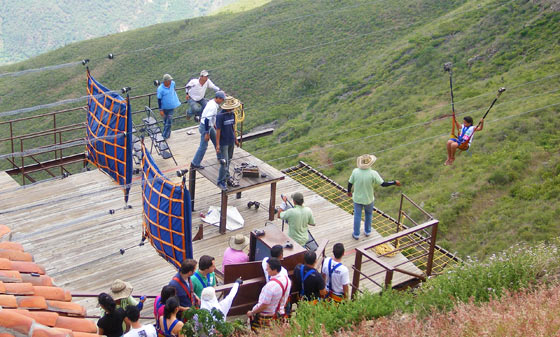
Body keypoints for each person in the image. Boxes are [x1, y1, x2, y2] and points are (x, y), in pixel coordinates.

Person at [347, 154, 401, 240]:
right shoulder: (373, 173)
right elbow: (383, 184)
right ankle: (367, 232)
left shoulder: (355, 171)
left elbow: (350, 183)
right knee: (368, 214)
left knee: (357, 215)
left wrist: (349, 192)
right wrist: (394, 182)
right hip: (368, 199)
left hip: (357, 198)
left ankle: (356, 234)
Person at [247, 258, 292, 331]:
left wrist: (252, 312)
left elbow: (264, 305)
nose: (266, 270)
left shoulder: (270, 286)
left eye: (268, 268)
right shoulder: (287, 279)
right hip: (279, 312)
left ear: (274, 270)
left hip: (267, 316)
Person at [190, 91, 226, 170]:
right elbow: (207, 119)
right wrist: (207, 133)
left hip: (209, 125)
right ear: (218, 98)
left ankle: (220, 157)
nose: (222, 101)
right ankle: (194, 163)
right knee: (203, 146)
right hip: (206, 126)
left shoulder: (212, 102)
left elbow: (210, 117)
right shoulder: (213, 107)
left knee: (216, 140)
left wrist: (214, 125)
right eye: (222, 99)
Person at [215, 96, 240, 190]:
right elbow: (218, 130)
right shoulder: (220, 116)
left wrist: (236, 139)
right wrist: (217, 144)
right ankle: (220, 181)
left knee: (229, 159)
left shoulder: (232, 114)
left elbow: (232, 128)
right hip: (223, 142)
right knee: (224, 162)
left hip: (231, 141)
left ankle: (227, 175)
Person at [157, 74, 181, 139]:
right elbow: (159, 99)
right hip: (164, 108)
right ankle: (167, 134)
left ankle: (164, 136)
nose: (170, 81)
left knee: (169, 120)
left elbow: (174, 89)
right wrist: (160, 110)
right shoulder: (160, 89)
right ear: (165, 81)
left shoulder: (173, 84)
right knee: (165, 121)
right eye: (169, 80)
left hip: (171, 107)